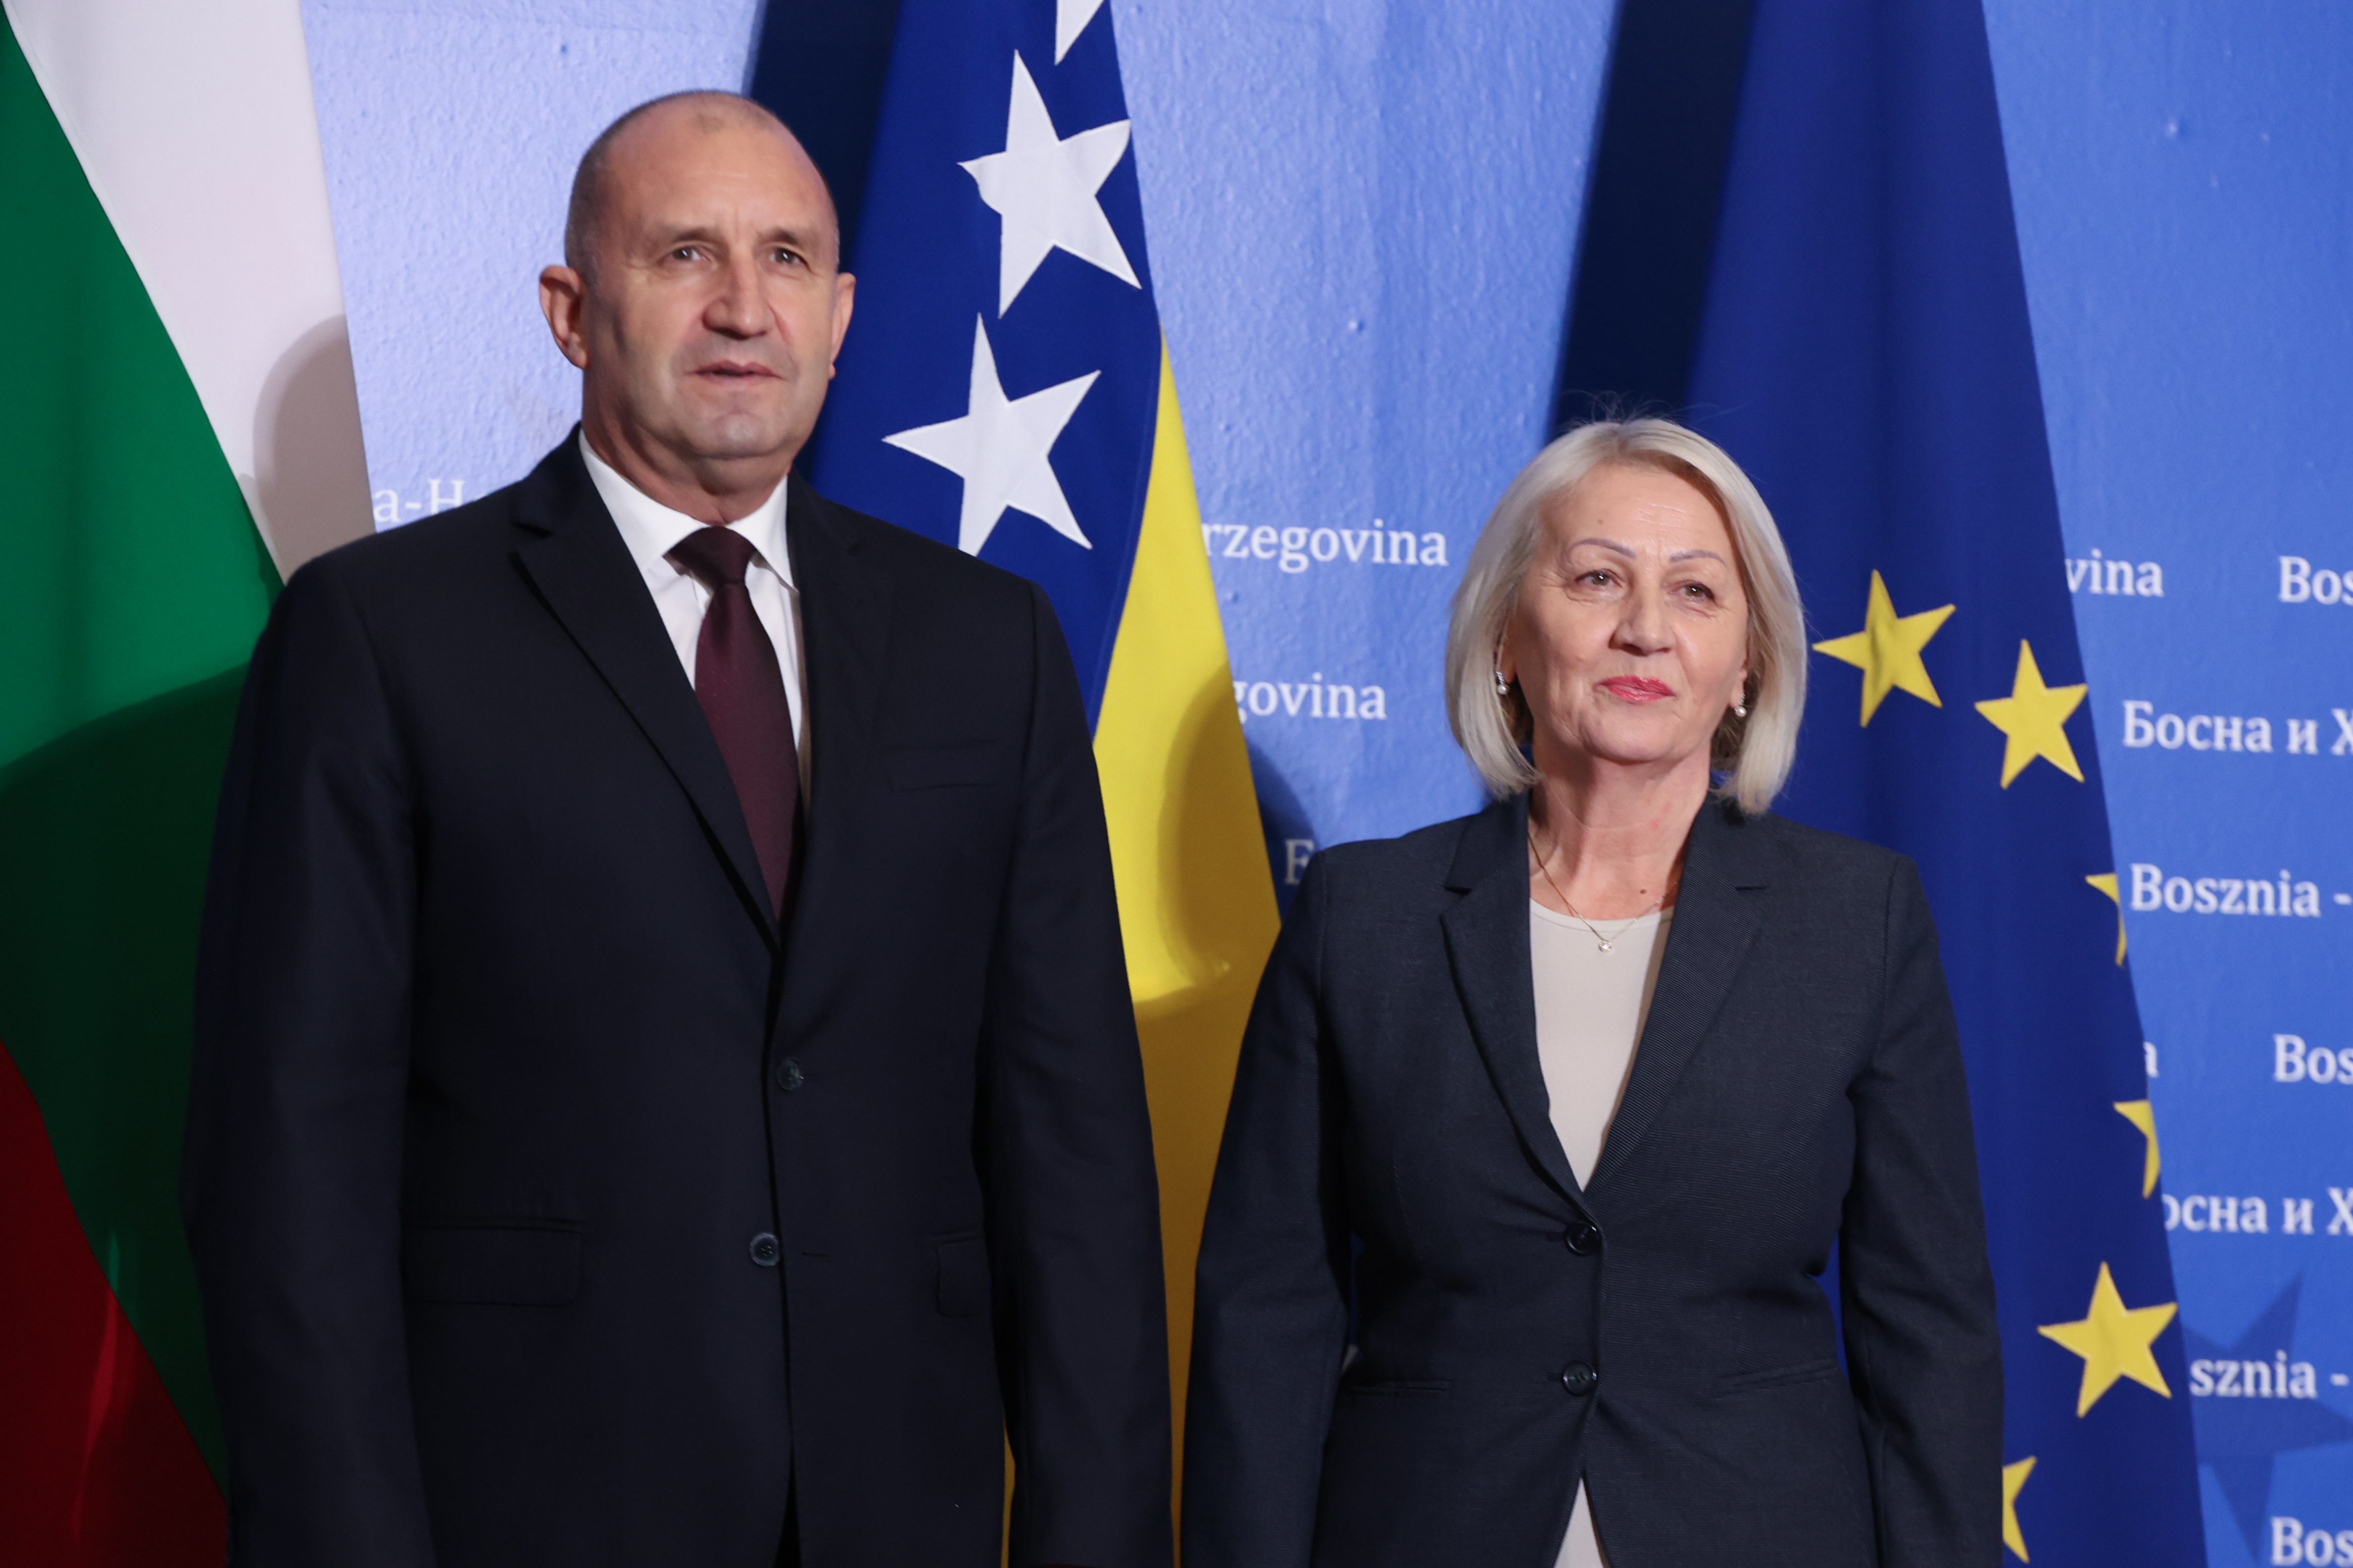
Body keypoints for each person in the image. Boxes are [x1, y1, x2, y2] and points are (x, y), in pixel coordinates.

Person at [183, 91, 1170, 1568]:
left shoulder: (992, 645)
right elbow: (288, 1173)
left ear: (840, 318)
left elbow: (1072, 1155)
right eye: (684, 254)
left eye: (786, 259)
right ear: (571, 311)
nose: (742, 308)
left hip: (899, 1513)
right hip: (528, 1514)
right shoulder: (383, 637)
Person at [1181, 419, 2001, 1567]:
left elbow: (1928, 1332)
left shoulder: (1857, 920)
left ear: (1747, 664)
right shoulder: (1363, 917)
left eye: (1696, 591)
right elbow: (1265, 1317)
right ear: (1505, 636)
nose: (1645, 628)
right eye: (1597, 577)